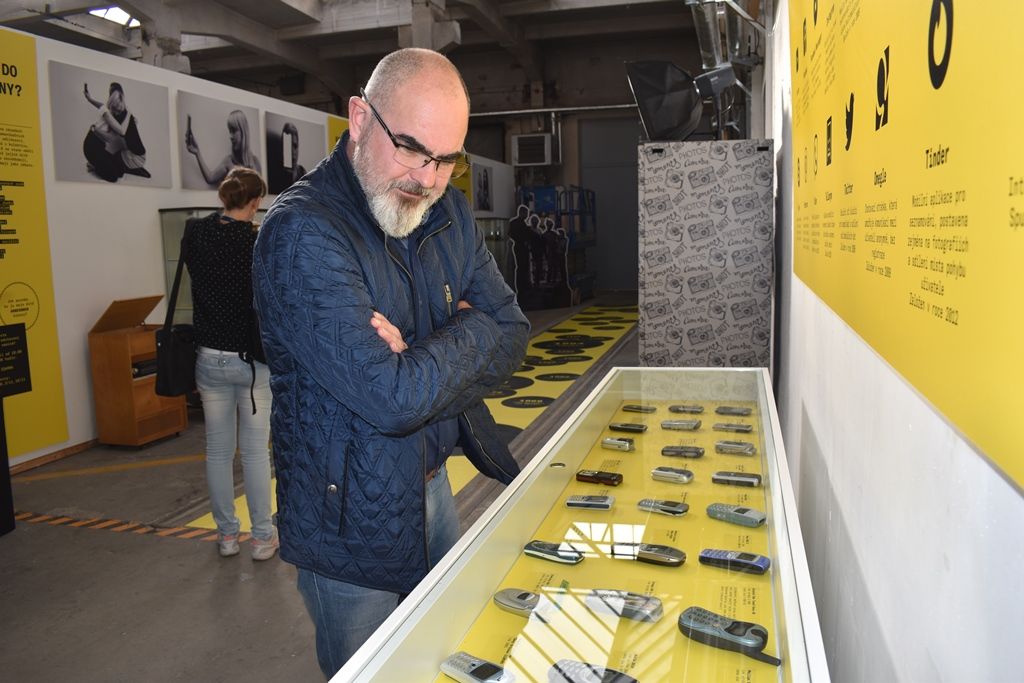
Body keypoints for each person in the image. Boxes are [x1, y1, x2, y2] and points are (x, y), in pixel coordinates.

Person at [252, 48, 529, 677]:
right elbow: (392, 399)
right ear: (359, 118)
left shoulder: (447, 211)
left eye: (448, 159)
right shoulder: (303, 233)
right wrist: (468, 328)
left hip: (434, 488)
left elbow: (513, 332)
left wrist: (419, 354)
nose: (428, 178)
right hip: (349, 522)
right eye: (410, 147)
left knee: (447, 656)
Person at [182, 167, 278, 561]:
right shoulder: (255, 243)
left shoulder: (196, 234)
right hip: (251, 362)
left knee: (217, 452)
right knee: (255, 454)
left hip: (208, 358)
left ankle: (226, 536)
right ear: (254, 202)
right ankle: (262, 538)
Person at [82, 82, 150, 182]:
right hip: (93, 145)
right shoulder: (109, 114)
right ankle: (95, 166)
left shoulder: (118, 115)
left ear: (121, 98)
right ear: (112, 100)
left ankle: (98, 164)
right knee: (114, 177)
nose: (117, 105)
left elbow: (116, 132)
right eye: (115, 101)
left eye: (119, 100)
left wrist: (89, 99)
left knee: (119, 172)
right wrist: (94, 129)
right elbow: (120, 132)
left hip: (104, 146)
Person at [185, 109, 262, 187]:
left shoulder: (255, 162)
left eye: (234, 131)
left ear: (243, 132)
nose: (230, 136)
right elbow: (210, 178)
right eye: (230, 131)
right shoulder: (229, 161)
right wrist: (197, 152)